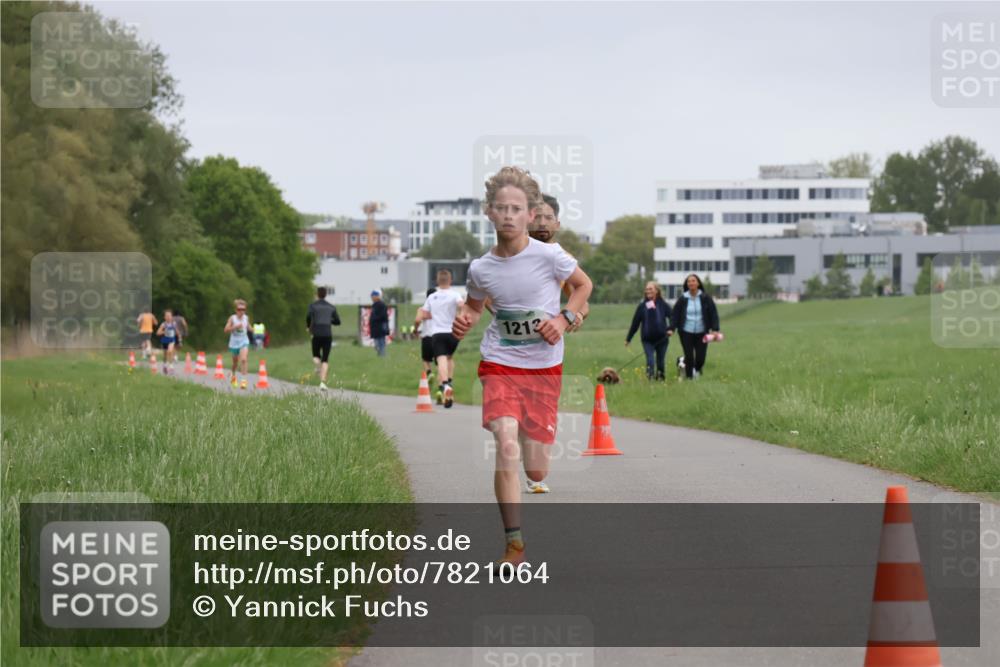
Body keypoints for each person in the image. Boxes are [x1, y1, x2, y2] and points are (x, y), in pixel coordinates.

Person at [453, 166, 593, 567]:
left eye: (517, 208)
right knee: (506, 441)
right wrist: (465, 318)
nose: (509, 215)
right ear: (490, 213)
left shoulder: (551, 256)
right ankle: (514, 544)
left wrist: (564, 318)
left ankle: (535, 474)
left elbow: (584, 286)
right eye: (501, 208)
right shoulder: (481, 268)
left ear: (531, 214)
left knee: (535, 465)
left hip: (544, 368)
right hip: (500, 362)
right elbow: (475, 306)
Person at [526, 193, 589, 331]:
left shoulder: (564, 259)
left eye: (549, 218)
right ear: (527, 220)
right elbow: (486, 294)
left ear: (557, 224)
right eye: (537, 217)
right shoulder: (511, 252)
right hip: (507, 345)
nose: (542, 223)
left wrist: (576, 315)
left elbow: (582, 301)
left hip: (546, 339)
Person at [414, 270, 464, 408]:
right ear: (450, 280)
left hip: (438, 333)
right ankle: (450, 381)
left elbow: (423, 313)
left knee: (441, 360)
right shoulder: (455, 294)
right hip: (453, 333)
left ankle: (445, 385)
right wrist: (459, 314)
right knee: (449, 358)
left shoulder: (432, 297)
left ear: (437, 281)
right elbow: (461, 305)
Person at [670, 274, 721, 380]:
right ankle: (690, 379)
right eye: (689, 281)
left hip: (702, 332)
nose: (691, 283)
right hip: (686, 332)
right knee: (689, 357)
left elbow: (713, 314)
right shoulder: (683, 298)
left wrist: (715, 329)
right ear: (687, 284)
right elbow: (675, 314)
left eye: (693, 281)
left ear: (698, 283)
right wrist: (671, 328)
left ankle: (696, 370)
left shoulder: (705, 298)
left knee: (700, 358)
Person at [626, 282, 672, 381]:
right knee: (650, 361)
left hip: (662, 339)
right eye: (647, 289)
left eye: (650, 289)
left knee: (660, 363)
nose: (648, 291)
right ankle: (650, 381)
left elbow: (673, 317)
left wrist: (671, 329)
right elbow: (635, 323)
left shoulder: (663, 305)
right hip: (647, 340)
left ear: (657, 291)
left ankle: (661, 381)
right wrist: (628, 338)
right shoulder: (642, 306)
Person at [306, 286, 341, 390]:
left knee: (316, 356)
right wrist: (329, 320)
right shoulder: (331, 307)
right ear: (326, 294)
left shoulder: (312, 306)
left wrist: (308, 327)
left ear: (317, 294)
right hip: (327, 334)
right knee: (325, 359)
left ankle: (318, 368)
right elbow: (338, 321)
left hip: (316, 334)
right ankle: (322, 382)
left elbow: (308, 317)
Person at [224, 299, 252, 389]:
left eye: (243, 309)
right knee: (235, 363)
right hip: (234, 343)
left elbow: (248, 327)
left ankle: (244, 382)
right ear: (236, 310)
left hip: (244, 341)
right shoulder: (232, 318)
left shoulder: (246, 318)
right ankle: (233, 376)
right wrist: (235, 327)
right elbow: (226, 330)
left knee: (243, 359)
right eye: (239, 309)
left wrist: (254, 330)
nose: (241, 311)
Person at [414, 287, 437, 379]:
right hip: (439, 336)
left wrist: (415, 330)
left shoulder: (422, 309)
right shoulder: (441, 309)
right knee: (440, 360)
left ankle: (429, 373)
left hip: (427, 336)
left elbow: (417, 320)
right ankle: (442, 382)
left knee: (425, 359)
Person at [155, 309, 180, 374]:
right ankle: (165, 365)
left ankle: (171, 367)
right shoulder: (163, 324)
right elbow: (157, 333)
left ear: (172, 317)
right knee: (165, 355)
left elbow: (177, 332)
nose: (168, 317)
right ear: (164, 317)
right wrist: (164, 331)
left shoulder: (174, 324)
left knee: (170, 351)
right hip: (165, 340)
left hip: (172, 340)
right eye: (167, 316)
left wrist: (178, 335)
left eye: (169, 316)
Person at [369, 290, 389, 358]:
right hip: (375, 327)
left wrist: (374, 319)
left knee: (381, 342)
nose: (371, 298)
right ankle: (380, 355)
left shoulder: (381, 305)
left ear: (377, 296)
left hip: (380, 326)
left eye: (373, 296)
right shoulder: (374, 305)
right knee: (376, 344)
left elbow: (383, 316)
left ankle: (382, 356)